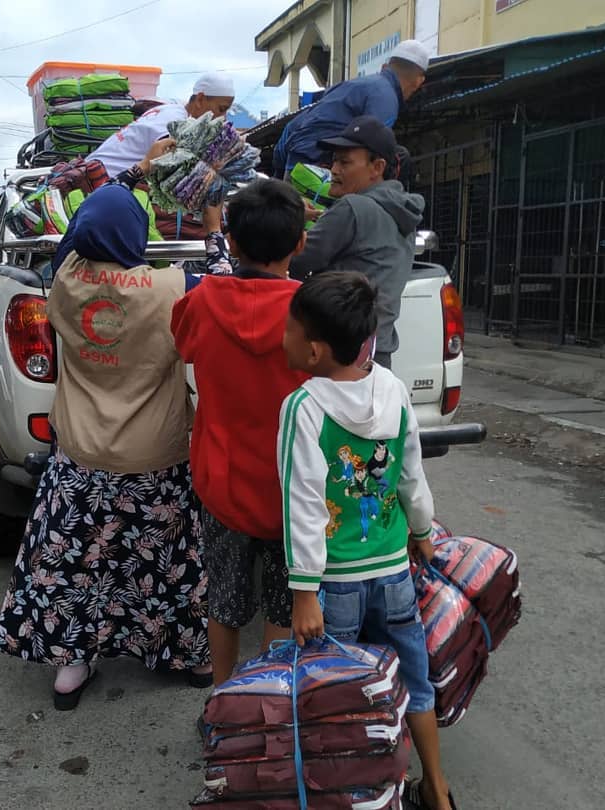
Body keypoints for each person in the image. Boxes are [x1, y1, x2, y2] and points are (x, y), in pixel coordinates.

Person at [0, 175, 212, 711]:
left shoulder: (65, 280)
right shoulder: (171, 287)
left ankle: (72, 664)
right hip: (156, 455)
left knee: (78, 563)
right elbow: (227, 279)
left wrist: (120, 179)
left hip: (82, 458)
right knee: (168, 561)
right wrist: (212, 218)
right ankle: (193, 655)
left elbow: (72, 239)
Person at [278, 271, 455, 810]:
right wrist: (422, 531)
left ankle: (360, 794)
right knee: (416, 684)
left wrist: (304, 591)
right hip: (394, 573)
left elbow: (303, 504)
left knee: (341, 698)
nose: (280, 338)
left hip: (336, 585)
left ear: (314, 349)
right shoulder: (395, 391)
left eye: (288, 330)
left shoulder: (303, 408)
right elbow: (409, 476)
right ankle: (438, 789)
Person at [170, 180, 310, 690]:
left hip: (221, 482)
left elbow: (182, 345)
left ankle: (224, 704)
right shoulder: (313, 310)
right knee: (281, 603)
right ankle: (267, 707)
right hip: (291, 489)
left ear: (230, 243)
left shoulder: (202, 303)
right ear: (300, 243)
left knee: (224, 604)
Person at [289, 116, 424, 369]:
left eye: (345, 162)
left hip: (342, 356)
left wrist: (289, 219)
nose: (334, 170)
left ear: (377, 167)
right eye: (334, 161)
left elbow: (294, 259)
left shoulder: (353, 207)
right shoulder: (402, 211)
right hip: (379, 353)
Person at [272, 39, 430, 179]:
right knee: (397, 156)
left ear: (385, 66)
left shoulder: (351, 86)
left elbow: (292, 126)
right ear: (418, 81)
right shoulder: (385, 98)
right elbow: (374, 149)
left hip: (293, 168)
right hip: (318, 172)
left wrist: (281, 171)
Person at [88, 72, 236, 177]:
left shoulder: (169, 109)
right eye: (221, 109)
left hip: (94, 170)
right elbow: (175, 169)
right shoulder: (176, 123)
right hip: (101, 179)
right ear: (200, 99)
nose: (222, 117)